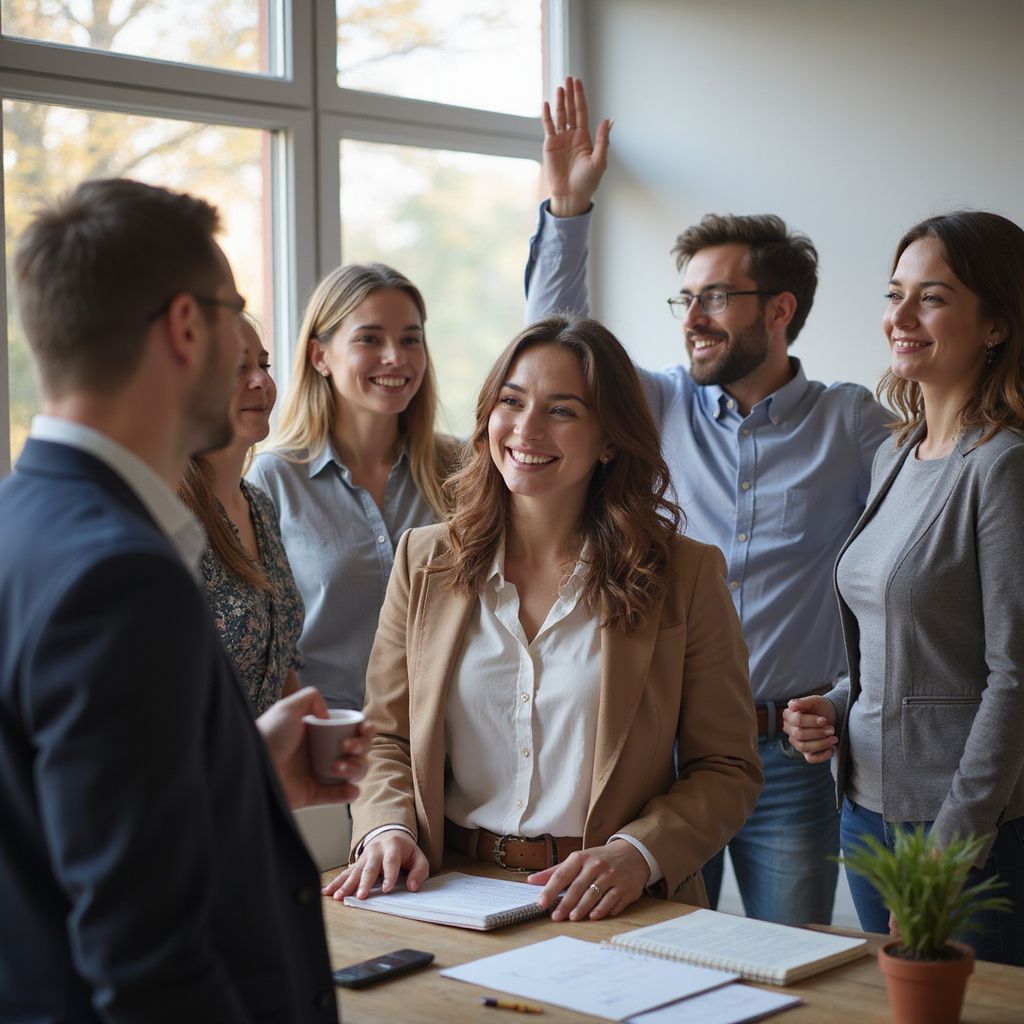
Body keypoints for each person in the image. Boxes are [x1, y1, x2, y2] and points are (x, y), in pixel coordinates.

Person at [0, 178, 372, 1022]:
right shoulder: (119, 578)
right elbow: (146, 956)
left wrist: (236, 770)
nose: (247, 344)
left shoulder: (21, 522)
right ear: (185, 327)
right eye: (232, 309)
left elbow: (63, 832)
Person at [523, 77, 891, 926]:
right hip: (656, 751)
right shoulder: (651, 406)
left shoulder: (852, 424)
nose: (693, 315)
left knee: (782, 967)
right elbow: (554, 346)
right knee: (647, 954)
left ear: (781, 309)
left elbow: (902, 574)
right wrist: (567, 209)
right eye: (685, 296)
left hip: (784, 766)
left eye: (716, 297)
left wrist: (845, 693)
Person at [323, 314, 763, 920]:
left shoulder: (684, 575)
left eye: (562, 410)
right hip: (445, 889)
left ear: (609, 438)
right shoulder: (423, 560)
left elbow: (728, 768)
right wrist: (385, 829)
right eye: (512, 401)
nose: (527, 429)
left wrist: (638, 853)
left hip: (610, 898)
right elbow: (387, 738)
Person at [783, 211, 1024, 966]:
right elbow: (909, 643)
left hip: (957, 828)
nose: (901, 317)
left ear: (995, 325)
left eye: (934, 297)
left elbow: (1014, 676)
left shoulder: (1003, 467)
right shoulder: (898, 453)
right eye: (896, 294)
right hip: (865, 812)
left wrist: (958, 840)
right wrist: (837, 701)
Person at [248, 263, 457, 710]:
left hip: (444, 742)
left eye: (410, 339)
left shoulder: (462, 469)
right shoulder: (273, 480)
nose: (395, 357)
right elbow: (263, 646)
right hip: (331, 746)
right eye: (370, 338)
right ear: (320, 356)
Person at [178, 315, 304, 714]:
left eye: (264, 366)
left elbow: (281, 665)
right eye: (239, 369)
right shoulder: (172, 515)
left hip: (266, 771)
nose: (261, 382)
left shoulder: (260, 505)